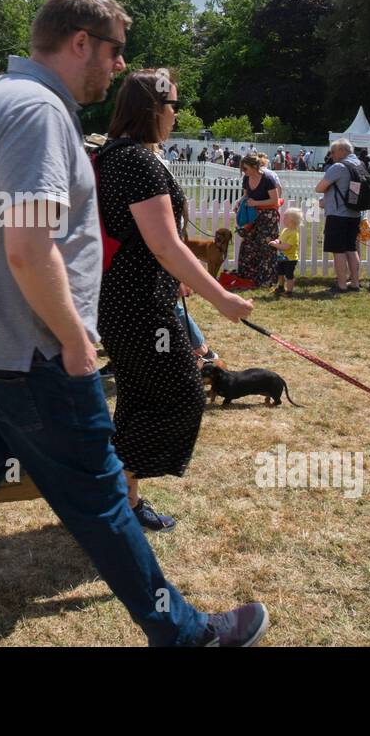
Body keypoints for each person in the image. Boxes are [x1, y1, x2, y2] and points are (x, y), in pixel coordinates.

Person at [0, 0, 269, 648]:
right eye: (115, 51)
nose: (119, 68)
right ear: (81, 41)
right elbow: (30, 249)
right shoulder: (38, 113)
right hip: (35, 355)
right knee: (103, 501)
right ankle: (184, 634)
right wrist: (74, 342)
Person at [97, 68, 256, 532]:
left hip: (127, 301)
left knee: (140, 398)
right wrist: (222, 297)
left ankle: (121, 499)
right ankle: (114, 486)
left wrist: (179, 280)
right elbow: (165, 245)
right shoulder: (138, 163)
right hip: (138, 306)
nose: (176, 115)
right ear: (152, 109)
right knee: (182, 397)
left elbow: (149, 243)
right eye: (172, 107)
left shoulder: (121, 156)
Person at [315, 138, 364, 293]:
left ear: (343, 150)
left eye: (334, 152)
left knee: (338, 250)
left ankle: (342, 285)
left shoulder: (339, 166)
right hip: (355, 213)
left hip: (337, 214)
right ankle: (355, 283)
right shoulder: (360, 165)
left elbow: (320, 187)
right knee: (351, 248)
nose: (332, 155)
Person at [235, 153, 282, 287]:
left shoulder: (268, 179)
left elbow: (275, 201)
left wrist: (255, 203)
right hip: (252, 216)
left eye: (245, 169)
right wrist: (239, 202)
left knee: (266, 247)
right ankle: (248, 278)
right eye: (242, 169)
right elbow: (246, 195)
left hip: (268, 217)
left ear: (254, 166)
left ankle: (266, 280)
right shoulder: (246, 178)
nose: (244, 172)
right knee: (248, 246)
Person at [270, 207, 303, 296]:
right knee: (280, 273)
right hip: (281, 258)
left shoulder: (294, 234)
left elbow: (286, 247)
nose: (283, 219)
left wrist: (276, 245)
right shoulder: (285, 230)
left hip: (290, 259)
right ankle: (280, 287)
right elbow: (280, 240)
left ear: (292, 220)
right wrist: (276, 241)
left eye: (285, 217)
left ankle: (289, 291)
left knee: (289, 275)